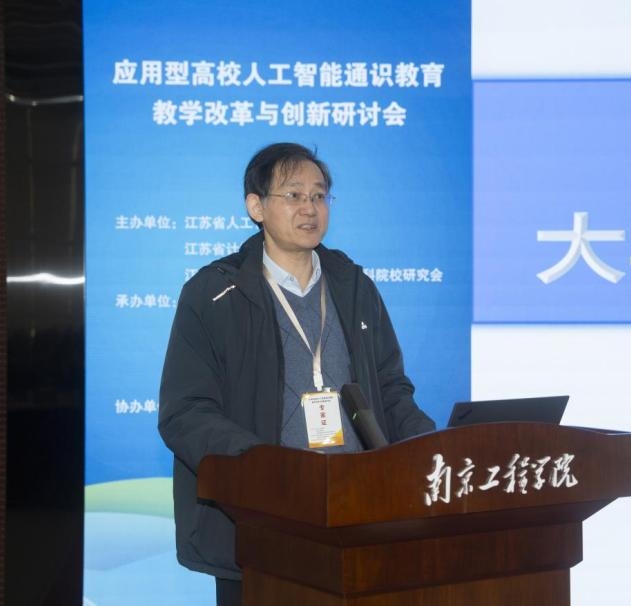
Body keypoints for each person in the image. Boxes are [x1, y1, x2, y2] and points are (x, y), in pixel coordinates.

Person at [158, 142, 436, 605]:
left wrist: (430, 449)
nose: (310, 208)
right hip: (261, 521)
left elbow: (390, 389)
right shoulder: (213, 294)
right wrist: (264, 465)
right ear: (256, 207)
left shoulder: (354, 285)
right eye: (293, 195)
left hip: (359, 515)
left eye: (319, 195)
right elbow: (184, 412)